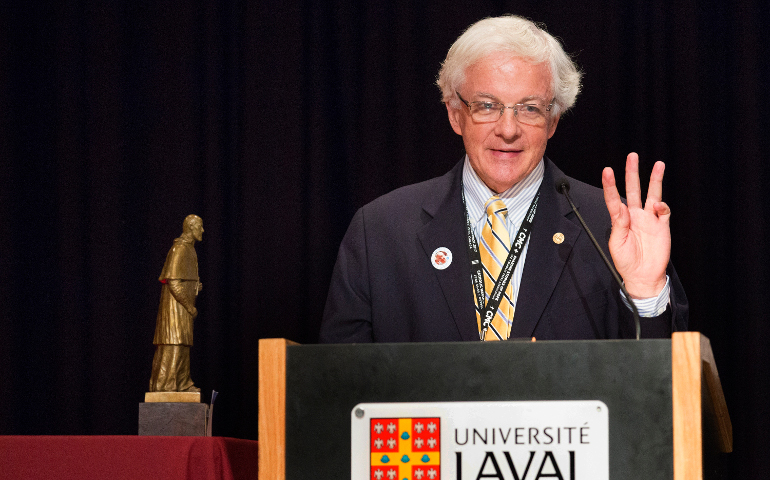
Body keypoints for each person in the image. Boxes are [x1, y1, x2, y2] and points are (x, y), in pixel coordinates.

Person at [319, 15, 687, 343]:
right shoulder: (380, 232)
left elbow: (664, 396)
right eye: (487, 106)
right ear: (454, 114)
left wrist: (644, 294)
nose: (508, 130)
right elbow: (338, 391)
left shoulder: (609, 228)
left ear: (553, 120)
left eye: (529, 108)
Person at [149, 214, 204, 392]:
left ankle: (182, 383)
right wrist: (189, 307)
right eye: (200, 226)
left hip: (183, 306)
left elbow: (183, 279)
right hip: (176, 308)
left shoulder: (190, 249)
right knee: (174, 343)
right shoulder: (180, 248)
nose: (202, 230)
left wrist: (194, 286)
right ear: (190, 228)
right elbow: (173, 282)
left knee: (182, 345)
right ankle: (166, 386)